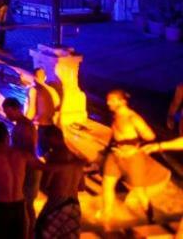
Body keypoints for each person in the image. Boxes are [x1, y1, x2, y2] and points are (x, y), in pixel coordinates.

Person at [100, 88, 169, 227]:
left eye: (112, 100)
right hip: (115, 155)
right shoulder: (115, 116)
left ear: (122, 101)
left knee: (139, 191)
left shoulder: (133, 118)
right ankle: (106, 217)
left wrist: (133, 147)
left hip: (132, 159)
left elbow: (150, 136)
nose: (108, 102)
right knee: (107, 186)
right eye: (108, 99)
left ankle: (151, 218)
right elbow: (115, 135)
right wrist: (107, 150)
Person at [35, 126, 85, 239]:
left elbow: (44, 184)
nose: (46, 143)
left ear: (53, 138)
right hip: (75, 205)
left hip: (57, 204)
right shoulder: (77, 157)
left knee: (41, 232)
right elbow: (82, 187)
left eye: (47, 139)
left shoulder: (54, 156)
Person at [2, 97, 39, 236]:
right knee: (27, 205)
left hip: (28, 169)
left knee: (25, 205)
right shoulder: (22, 125)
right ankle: (30, 233)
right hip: (27, 168)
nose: (6, 115)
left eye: (8, 112)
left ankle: (28, 233)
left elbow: (26, 149)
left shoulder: (24, 127)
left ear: (16, 109)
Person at [25, 68, 60, 134]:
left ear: (34, 77)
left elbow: (31, 111)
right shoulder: (52, 90)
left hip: (39, 126)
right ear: (45, 77)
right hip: (51, 125)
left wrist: (24, 122)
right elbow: (57, 105)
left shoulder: (33, 89)